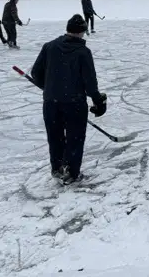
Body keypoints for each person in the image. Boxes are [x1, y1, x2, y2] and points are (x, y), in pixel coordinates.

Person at [30, 14, 107, 184]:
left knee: (55, 136)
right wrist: (98, 100)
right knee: (75, 137)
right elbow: (90, 82)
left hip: (51, 103)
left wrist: (50, 88)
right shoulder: (83, 52)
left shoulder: (49, 47)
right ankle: (71, 172)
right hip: (75, 103)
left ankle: (57, 168)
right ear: (82, 32)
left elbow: (36, 73)